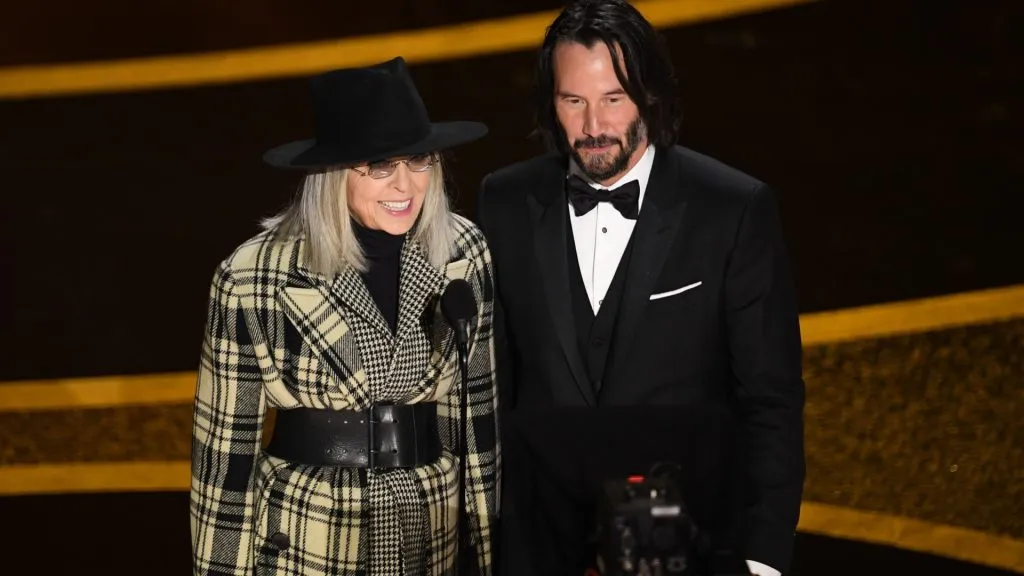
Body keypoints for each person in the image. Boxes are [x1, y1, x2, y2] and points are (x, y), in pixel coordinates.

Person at [476, 1, 804, 575]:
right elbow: (494, 389)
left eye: (613, 99)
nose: (594, 126)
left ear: (649, 95)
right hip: (540, 546)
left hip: (687, 541)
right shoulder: (503, 202)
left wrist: (763, 556)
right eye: (573, 101)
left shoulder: (731, 209)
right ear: (550, 103)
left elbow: (770, 399)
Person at [190, 57, 500, 576]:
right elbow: (225, 459)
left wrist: (491, 556)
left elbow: (476, 424)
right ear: (332, 175)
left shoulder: (463, 251)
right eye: (380, 165)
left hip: (428, 535)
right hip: (307, 538)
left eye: (419, 160)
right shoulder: (252, 276)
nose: (405, 186)